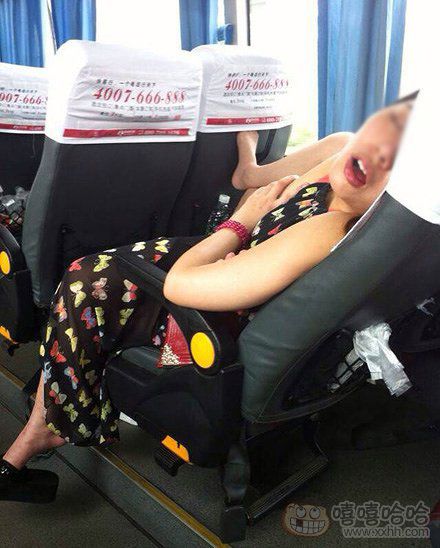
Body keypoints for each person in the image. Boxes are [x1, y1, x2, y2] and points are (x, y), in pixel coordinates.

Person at [0, 97, 414, 501]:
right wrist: (247, 143)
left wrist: (241, 225)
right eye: (390, 127)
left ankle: (48, 425)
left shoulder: (330, 229)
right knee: (85, 281)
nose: (377, 154)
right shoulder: (342, 149)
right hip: (218, 253)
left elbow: (181, 286)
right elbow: (248, 179)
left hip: (213, 295)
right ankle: (45, 423)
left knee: (84, 282)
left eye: (401, 161)